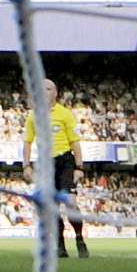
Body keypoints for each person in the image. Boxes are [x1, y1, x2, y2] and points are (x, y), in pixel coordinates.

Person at [25, 79, 88, 258]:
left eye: (48, 88)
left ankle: (79, 238)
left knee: (71, 203)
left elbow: (75, 142)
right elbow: (27, 142)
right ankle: (60, 244)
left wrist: (79, 167)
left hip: (65, 162)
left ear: (55, 93)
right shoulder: (33, 115)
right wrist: (26, 165)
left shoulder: (65, 114)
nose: (44, 91)